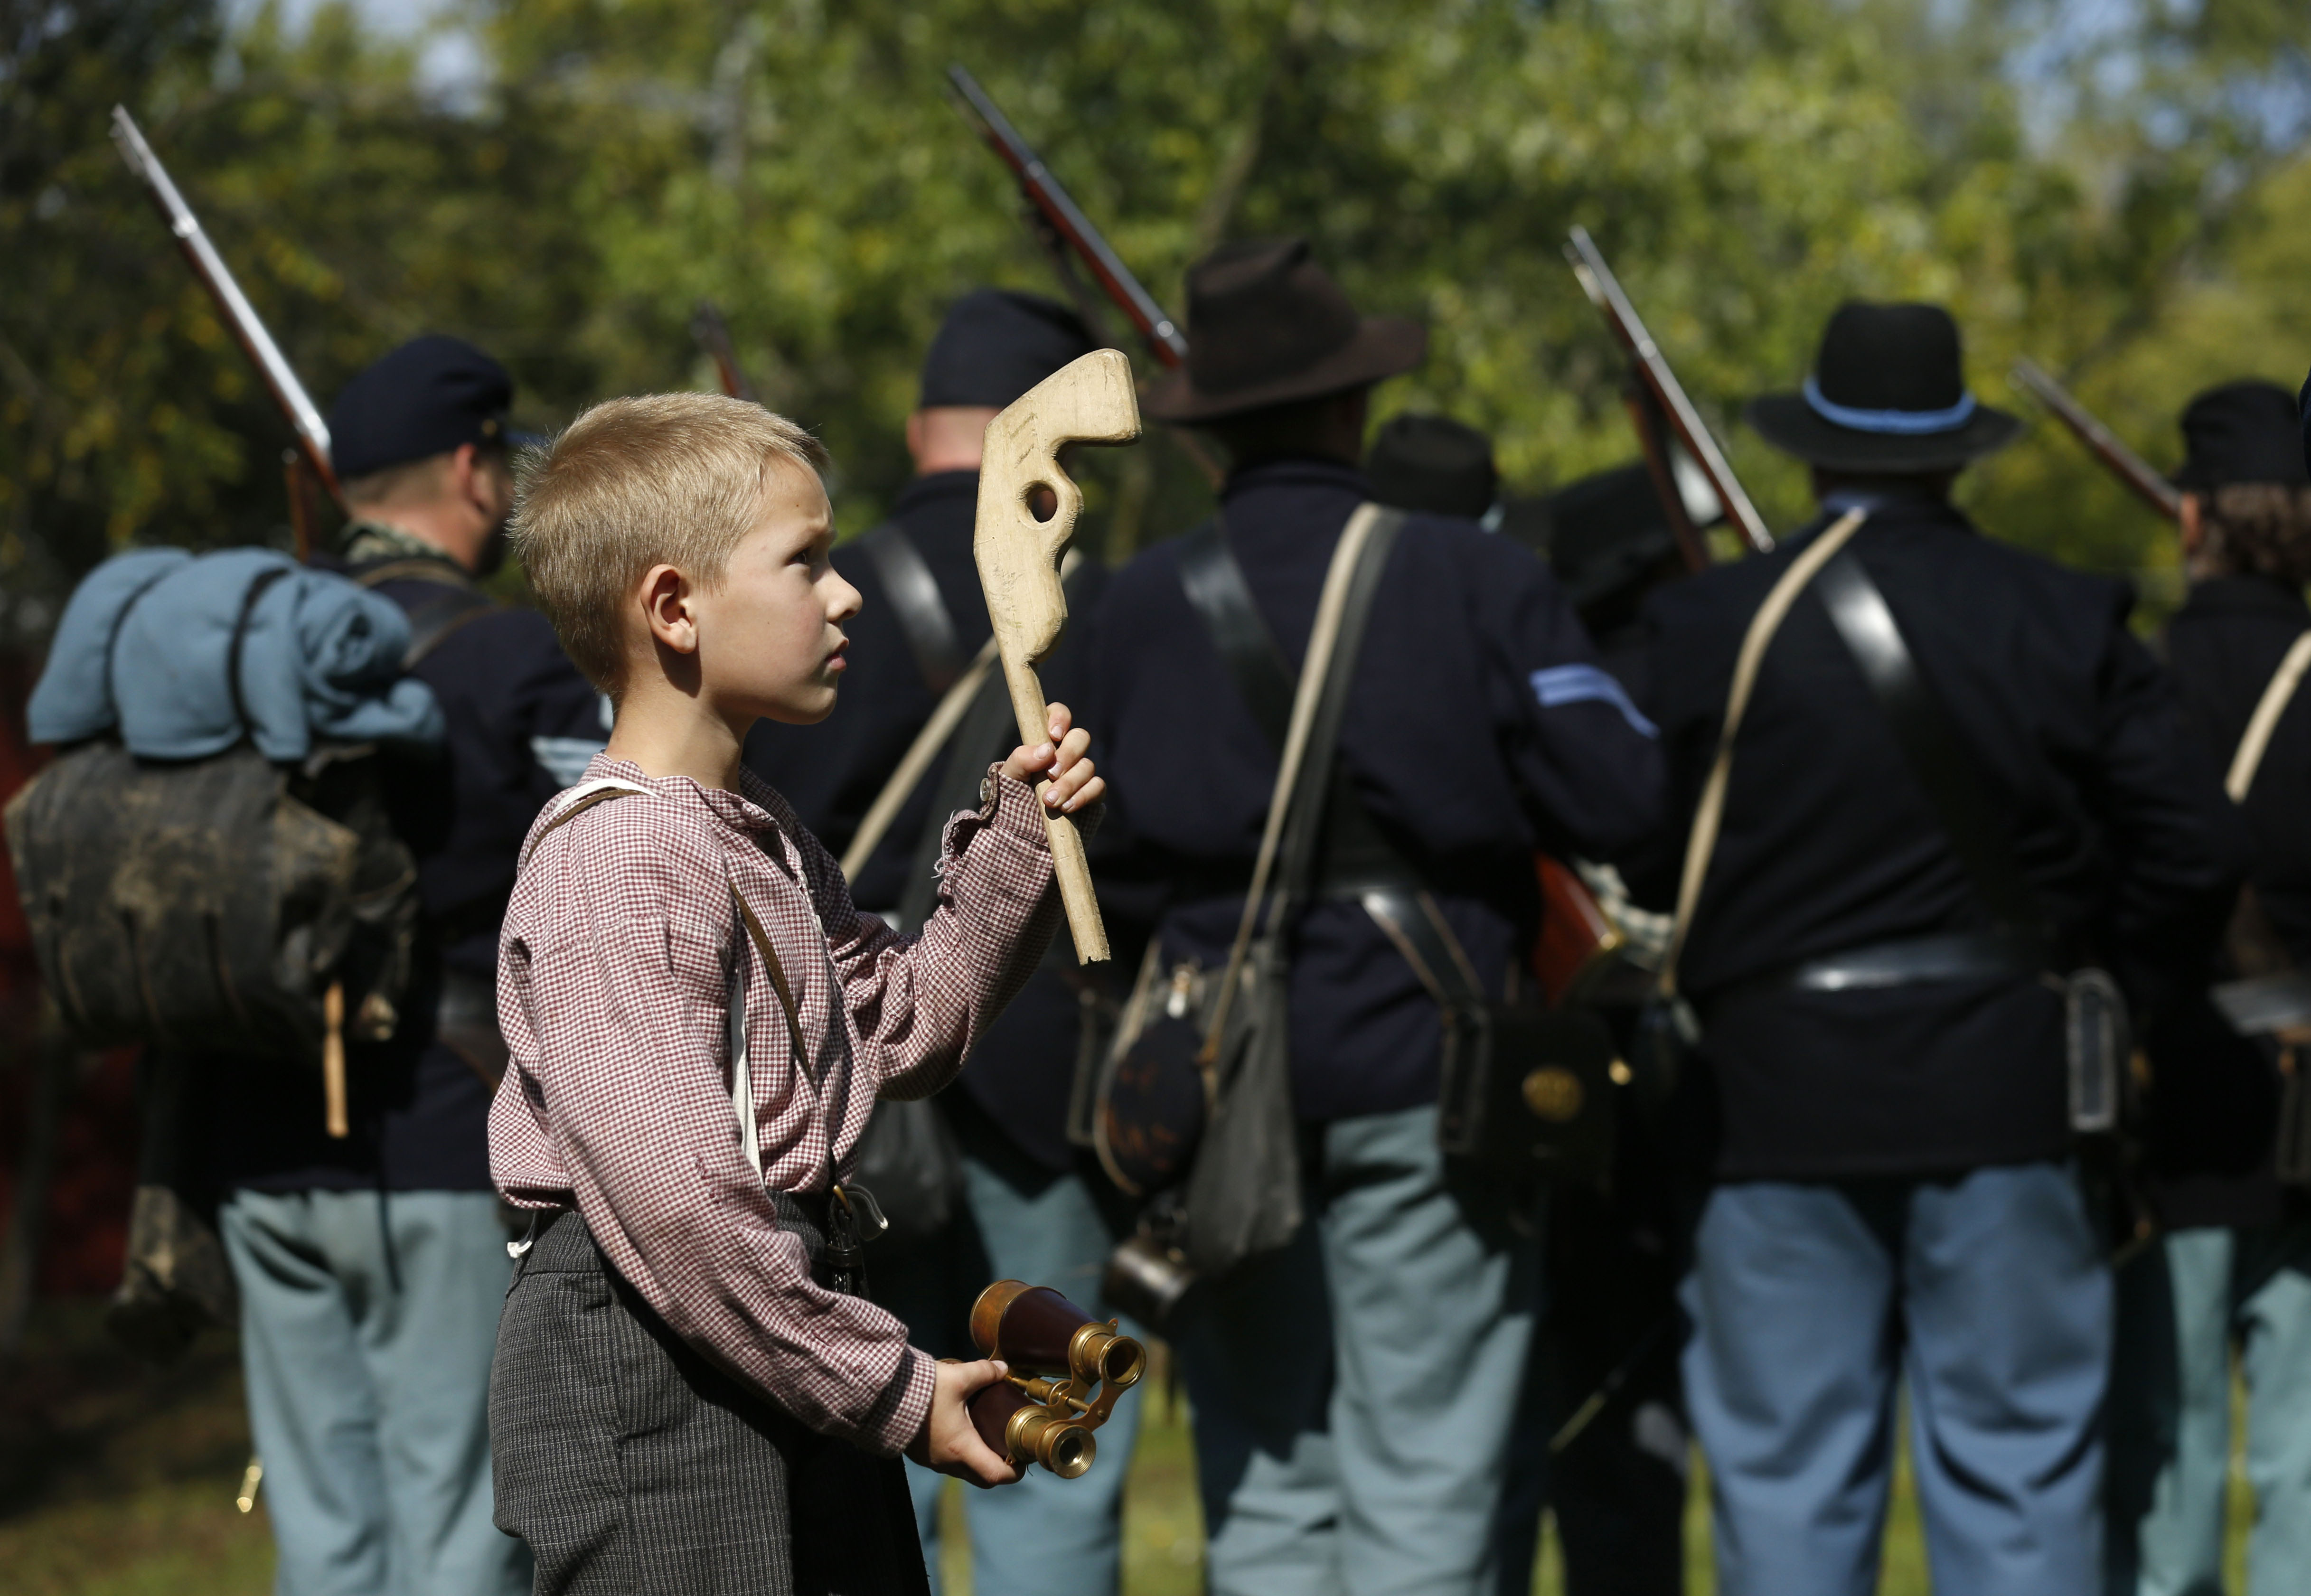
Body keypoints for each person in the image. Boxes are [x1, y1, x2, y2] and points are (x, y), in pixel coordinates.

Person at [1083, 237, 1666, 1596]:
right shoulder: (1474, 580)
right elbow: (1623, 792)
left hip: (1213, 1073)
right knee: (1430, 1475)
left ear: (1212, 434)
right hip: (1429, 1057)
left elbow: (1087, 872)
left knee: (1268, 1476)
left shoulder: (1132, 604)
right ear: (1351, 411)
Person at [1635, 301, 2243, 1596]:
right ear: (1954, 454)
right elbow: (2190, 847)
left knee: (1787, 1489)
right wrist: (2107, 1003)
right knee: (2019, 1483)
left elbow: (1636, 847)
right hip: (2009, 1092)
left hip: (1767, 1101)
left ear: (1813, 455)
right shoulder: (2064, 615)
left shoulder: (1710, 626)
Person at [486, 391, 1106, 1594]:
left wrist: (1020, 846)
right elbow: (676, 1209)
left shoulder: (748, 827)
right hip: (654, 1355)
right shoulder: (621, 861)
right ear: (673, 607)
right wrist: (892, 1387)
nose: (847, 593)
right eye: (805, 561)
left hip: (765, 1322)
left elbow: (904, 1028)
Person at [742, 288, 1142, 1595]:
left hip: (846, 1069)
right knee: (1050, 1445)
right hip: (1042, 1072)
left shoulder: (808, 596)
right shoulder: (1089, 603)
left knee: (875, 1449)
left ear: (920, 428)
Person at [206, 335, 607, 1596]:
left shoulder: (234, 661)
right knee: (457, 1532)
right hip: (444, 1145)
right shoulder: (510, 658)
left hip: (258, 1145)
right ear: (470, 469)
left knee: (323, 1532)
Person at [2105, 379, 2311, 1596]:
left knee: (2165, 1445)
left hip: (2177, 1099)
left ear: (2191, 520)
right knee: (2304, 1452)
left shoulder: (2131, 678)